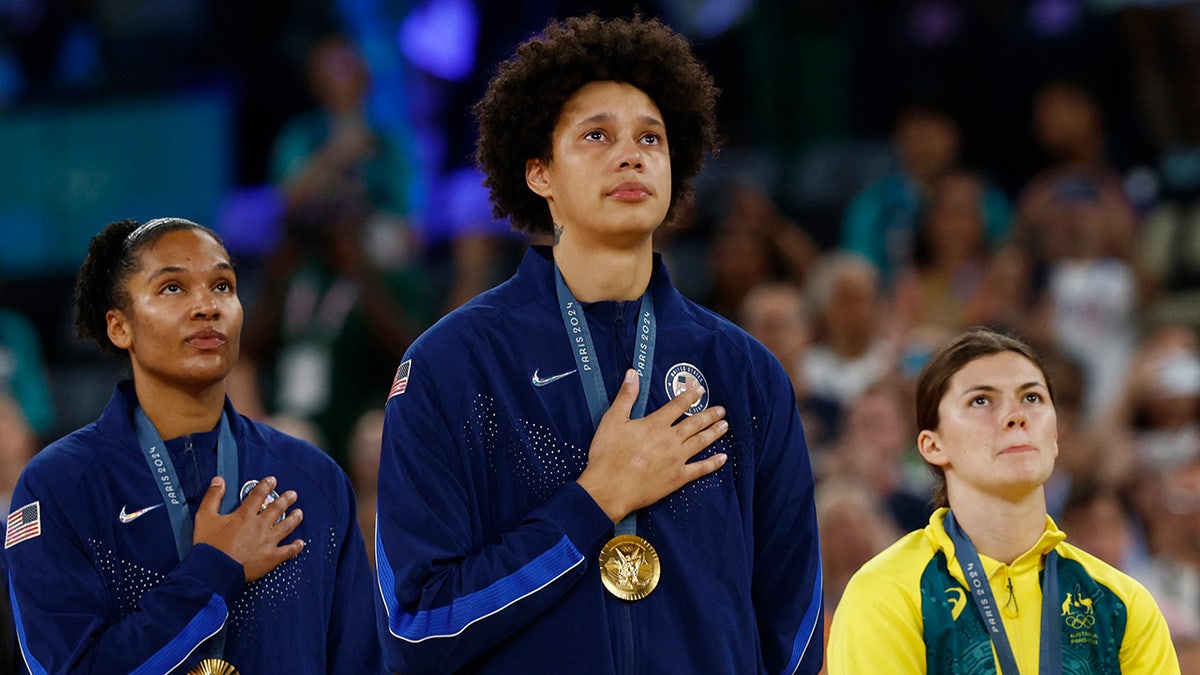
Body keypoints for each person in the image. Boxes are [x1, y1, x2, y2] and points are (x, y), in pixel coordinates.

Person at [373, 14, 824, 674]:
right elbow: (416, 627)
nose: (631, 153)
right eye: (596, 135)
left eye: (651, 137)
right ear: (538, 173)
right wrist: (593, 502)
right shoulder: (453, 366)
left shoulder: (745, 371)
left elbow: (794, 625)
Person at [3, 218, 383, 673]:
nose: (207, 305)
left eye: (223, 286)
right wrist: (214, 570)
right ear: (119, 327)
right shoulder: (58, 487)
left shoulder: (313, 480)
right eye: (172, 289)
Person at [826, 327, 1179, 673]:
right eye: (981, 400)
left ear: (1054, 437)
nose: (1016, 416)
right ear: (933, 446)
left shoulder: (1121, 605)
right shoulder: (886, 595)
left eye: (1031, 397)